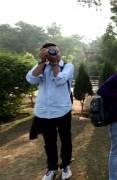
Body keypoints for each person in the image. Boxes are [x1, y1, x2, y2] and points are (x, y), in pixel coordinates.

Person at [26, 43, 74, 180]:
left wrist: (54, 63)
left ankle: (66, 166)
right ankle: (52, 168)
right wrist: (42, 61)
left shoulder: (68, 66)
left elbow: (60, 80)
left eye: (55, 51)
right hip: (44, 112)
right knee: (49, 141)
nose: (52, 53)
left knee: (66, 140)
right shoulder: (42, 66)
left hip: (62, 110)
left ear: (60, 52)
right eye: (49, 51)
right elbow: (30, 78)